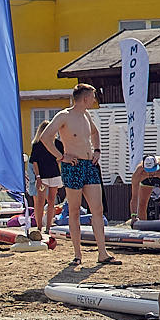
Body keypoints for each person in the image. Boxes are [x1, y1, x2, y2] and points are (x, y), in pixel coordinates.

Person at [39, 83, 120, 265]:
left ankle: (102, 253)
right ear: (85, 98)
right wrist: (61, 157)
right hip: (72, 165)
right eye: (92, 96)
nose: (94, 99)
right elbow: (45, 137)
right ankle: (77, 254)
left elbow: (95, 133)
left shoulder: (86, 115)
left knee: (97, 209)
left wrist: (97, 151)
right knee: (74, 210)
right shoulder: (64, 116)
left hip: (89, 164)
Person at [29, 120, 63, 234]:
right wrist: (38, 177)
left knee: (52, 201)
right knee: (40, 202)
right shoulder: (37, 145)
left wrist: (57, 163)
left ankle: (48, 227)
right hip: (42, 177)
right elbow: (34, 162)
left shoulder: (58, 144)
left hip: (55, 175)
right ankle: (39, 227)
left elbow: (61, 157)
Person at [129, 155, 160, 223]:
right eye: (148, 171)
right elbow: (134, 198)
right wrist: (133, 215)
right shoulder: (138, 173)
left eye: (152, 171)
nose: (151, 174)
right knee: (142, 203)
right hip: (146, 179)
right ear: (143, 168)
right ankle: (142, 226)